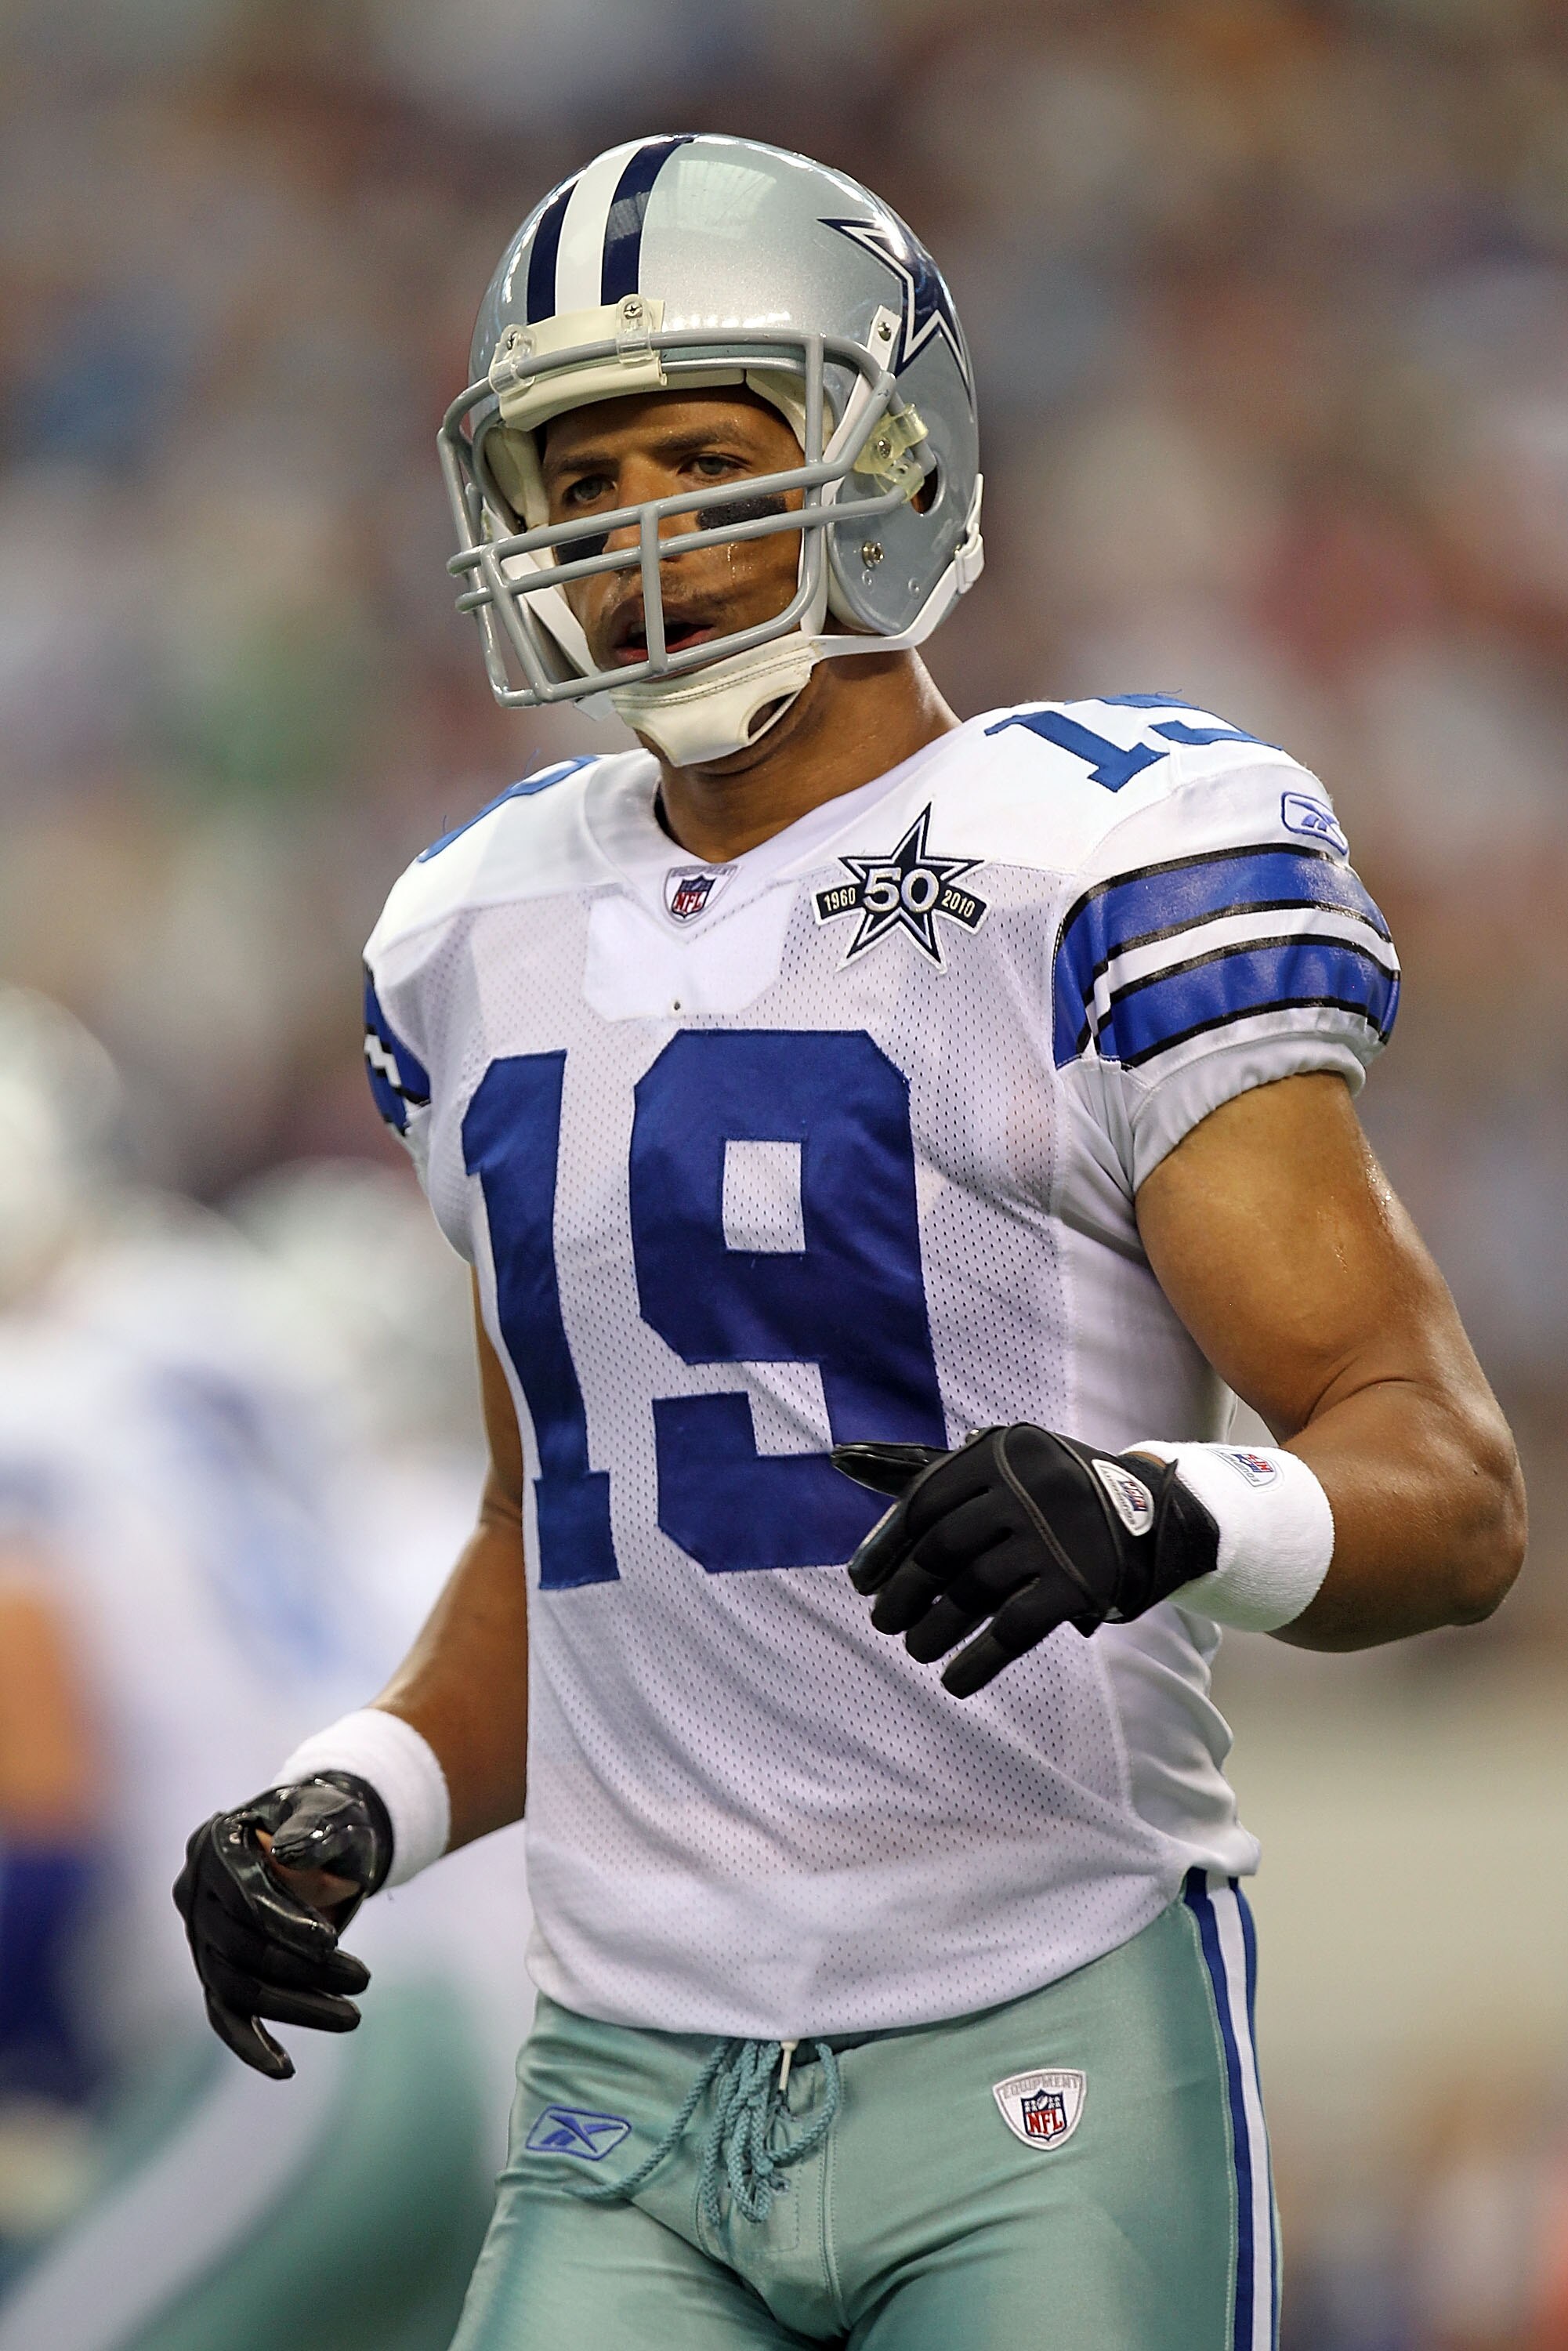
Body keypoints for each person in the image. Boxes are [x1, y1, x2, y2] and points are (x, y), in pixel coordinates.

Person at [174, 134, 1526, 2350]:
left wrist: (1152, 1508)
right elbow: (573, 1536)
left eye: (707, 455)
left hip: (1038, 2034)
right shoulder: (466, 933)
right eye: (578, 470)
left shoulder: (1095, 853)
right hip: (620, 2077)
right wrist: (367, 1794)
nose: (636, 533)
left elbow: (1446, 1495)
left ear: (886, 453)